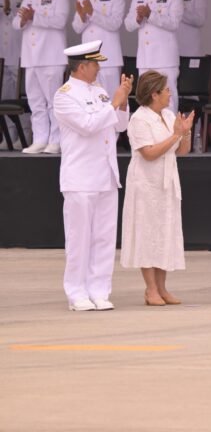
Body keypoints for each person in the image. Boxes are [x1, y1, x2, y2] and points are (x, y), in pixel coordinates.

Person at [53, 40, 132, 311]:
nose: (99, 68)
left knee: (104, 237)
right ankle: (76, 293)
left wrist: (121, 103)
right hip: (80, 177)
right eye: (95, 63)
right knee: (79, 239)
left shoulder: (98, 90)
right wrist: (114, 104)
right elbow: (87, 126)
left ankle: (100, 290)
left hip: (105, 174)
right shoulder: (64, 95)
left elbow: (119, 126)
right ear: (83, 66)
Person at [120, 70, 194, 306]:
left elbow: (182, 151)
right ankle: (150, 289)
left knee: (165, 233)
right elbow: (149, 153)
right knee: (147, 234)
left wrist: (186, 133)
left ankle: (162, 288)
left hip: (168, 182)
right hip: (146, 184)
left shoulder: (168, 114)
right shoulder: (139, 119)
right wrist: (175, 136)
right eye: (166, 90)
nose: (170, 93)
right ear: (154, 94)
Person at [12, 0, 69, 154]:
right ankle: (39, 139)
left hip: (51, 58)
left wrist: (34, 18)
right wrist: (24, 19)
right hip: (31, 59)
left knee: (54, 102)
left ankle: (55, 140)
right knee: (35, 102)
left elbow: (60, 21)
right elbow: (15, 24)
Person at [124, 0, 183, 112]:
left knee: (168, 99)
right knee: (147, 100)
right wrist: (138, 18)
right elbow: (128, 25)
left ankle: (172, 135)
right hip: (145, 58)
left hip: (165, 58)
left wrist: (151, 15)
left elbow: (174, 23)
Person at [72, 0, 125, 97]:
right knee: (90, 102)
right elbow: (76, 28)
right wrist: (83, 16)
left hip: (109, 58)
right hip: (89, 59)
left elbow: (115, 24)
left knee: (111, 101)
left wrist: (93, 14)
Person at [0, 0, 28, 148]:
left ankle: (24, 134)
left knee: (22, 100)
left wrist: (10, 9)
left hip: (20, 56)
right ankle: (8, 134)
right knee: (4, 98)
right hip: (4, 56)